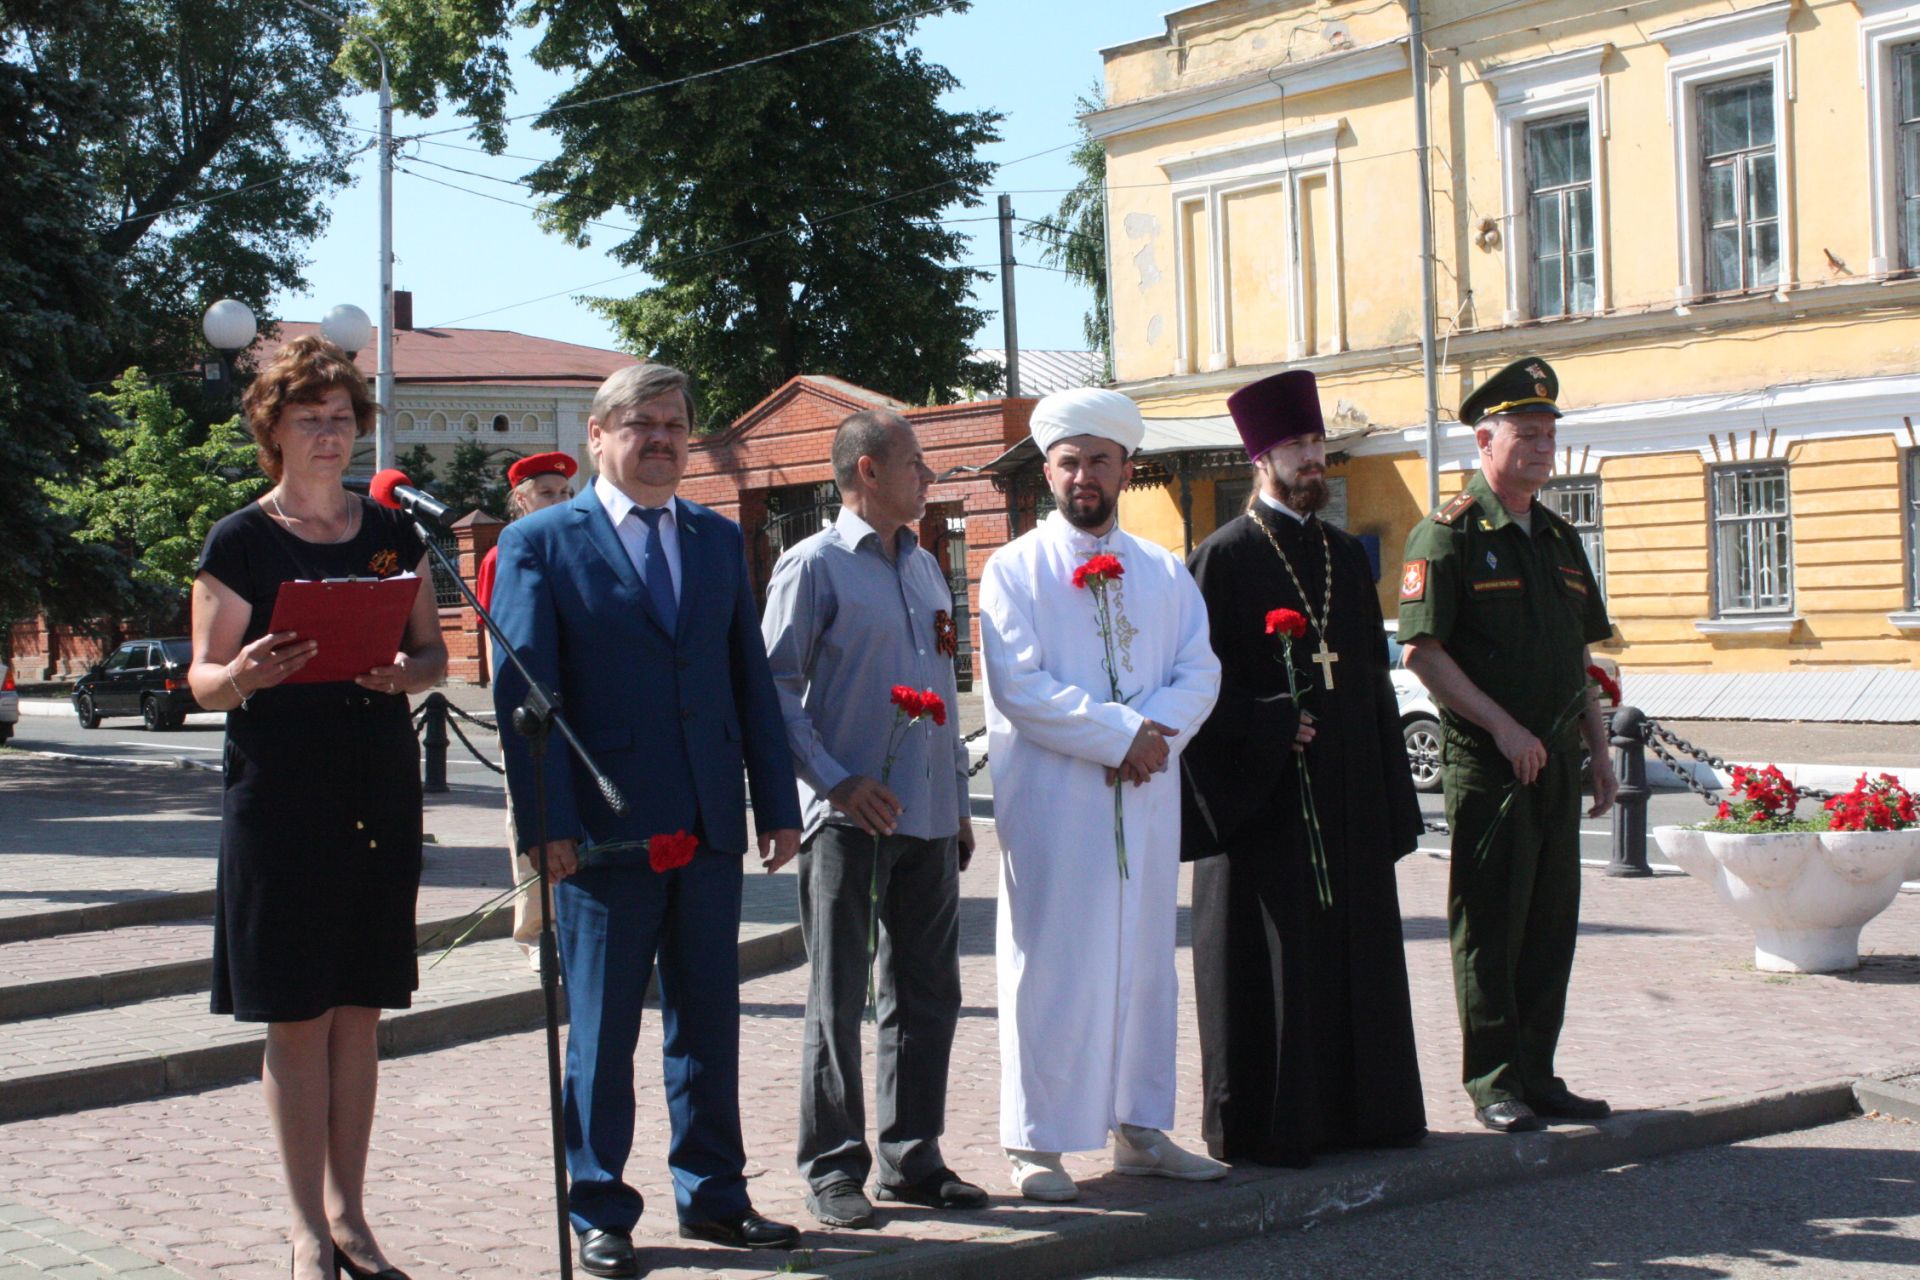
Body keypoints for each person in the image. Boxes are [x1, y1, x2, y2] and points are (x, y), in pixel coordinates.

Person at [489, 362, 804, 1278]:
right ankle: (600, 1207)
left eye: (674, 425)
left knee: (709, 1021)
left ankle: (713, 1196)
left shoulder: (712, 539)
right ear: (599, 436)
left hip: (706, 823)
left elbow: (746, 674)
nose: (661, 439)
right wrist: (544, 823)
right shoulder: (545, 541)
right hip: (600, 831)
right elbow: (524, 698)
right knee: (602, 1028)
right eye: (640, 424)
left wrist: (774, 803)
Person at [187, 335, 446, 1280]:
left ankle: (352, 1213)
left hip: (375, 782)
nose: (330, 436)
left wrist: (399, 675)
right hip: (280, 794)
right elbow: (201, 678)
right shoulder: (240, 540)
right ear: (275, 430)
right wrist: (244, 672)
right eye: (311, 420)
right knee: (297, 1013)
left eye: (342, 420)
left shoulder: (393, 536)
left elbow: (434, 657)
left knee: (360, 1010)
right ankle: (305, 1225)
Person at [979, 387, 1224, 1202]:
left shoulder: (1161, 569)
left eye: (1100, 462)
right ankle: (1036, 1141)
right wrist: (1123, 736)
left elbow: (1202, 668)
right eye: (1070, 462)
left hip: (1147, 802)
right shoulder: (1013, 569)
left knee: (1146, 963)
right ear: (1047, 469)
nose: (1085, 476)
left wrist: (1152, 735)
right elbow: (1020, 686)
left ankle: (1142, 1130)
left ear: (1126, 469)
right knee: (1051, 965)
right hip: (1057, 806)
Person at [1180, 369, 1427, 1168]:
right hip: (1267, 802)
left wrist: (1389, 795)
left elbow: (1371, 681)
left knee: (1352, 954)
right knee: (1276, 962)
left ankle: (1365, 1112)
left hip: (1346, 792)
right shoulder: (1219, 560)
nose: (1315, 459)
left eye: (1319, 444)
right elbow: (1197, 690)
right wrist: (1266, 727)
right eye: (1298, 447)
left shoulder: (1343, 557)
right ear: (1262, 456)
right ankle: (1274, 1123)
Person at [760, 410, 985, 1231]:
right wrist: (835, 782)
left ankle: (912, 1157)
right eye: (915, 464)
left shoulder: (925, 567)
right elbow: (774, 692)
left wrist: (958, 803)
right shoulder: (811, 566)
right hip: (849, 822)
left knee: (928, 994)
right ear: (866, 472)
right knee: (839, 996)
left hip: (927, 816)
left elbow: (944, 686)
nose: (928, 478)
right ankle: (832, 1167)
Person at [1397, 356, 1619, 1135]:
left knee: (1552, 922)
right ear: (1485, 440)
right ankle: (1493, 1081)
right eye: (1526, 434)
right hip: (1491, 764)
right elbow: (1422, 654)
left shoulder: (1558, 536)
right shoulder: (1449, 533)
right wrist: (1503, 727)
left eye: (1549, 434)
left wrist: (1598, 748)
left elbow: (1581, 659)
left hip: (1556, 759)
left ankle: (1537, 1072)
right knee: (1492, 922)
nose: (1541, 447)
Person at [474, 450, 578, 971]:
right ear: (520, 499)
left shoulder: (578, 545)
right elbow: (502, 643)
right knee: (532, 817)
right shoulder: (505, 554)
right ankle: (537, 931)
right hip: (531, 712)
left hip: (579, 706)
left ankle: (577, 925)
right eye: (545, 494)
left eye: (564, 494)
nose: (557, 503)